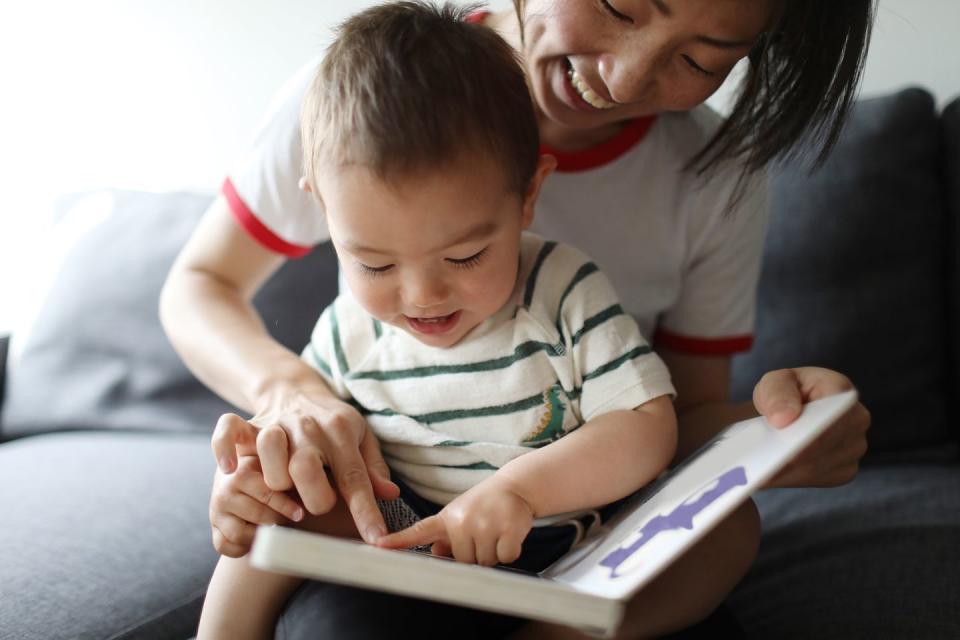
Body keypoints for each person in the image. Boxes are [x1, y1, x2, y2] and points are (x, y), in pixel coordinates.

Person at [160, 0, 874, 637]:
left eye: (698, 58)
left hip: (575, 525)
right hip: (407, 529)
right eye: (620, 7)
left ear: (530, 195)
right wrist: (281, 424)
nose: (623, 79)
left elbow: (663, 422)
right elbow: (199, 284)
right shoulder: (358, 93)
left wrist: (774, 430)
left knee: (727, 533)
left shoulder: (591, 263)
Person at [195, 4, 678, 638]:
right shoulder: (346, 330)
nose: (421, 295)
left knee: (729, 535)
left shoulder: (563, 288)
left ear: (529, 194)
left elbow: (647, 425)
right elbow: (307, 450)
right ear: (324, 211)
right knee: (272, 520)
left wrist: (523, 492)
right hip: (405, 549)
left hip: (564, 550)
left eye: (465, 255)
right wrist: (254, 484)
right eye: (373, 263)